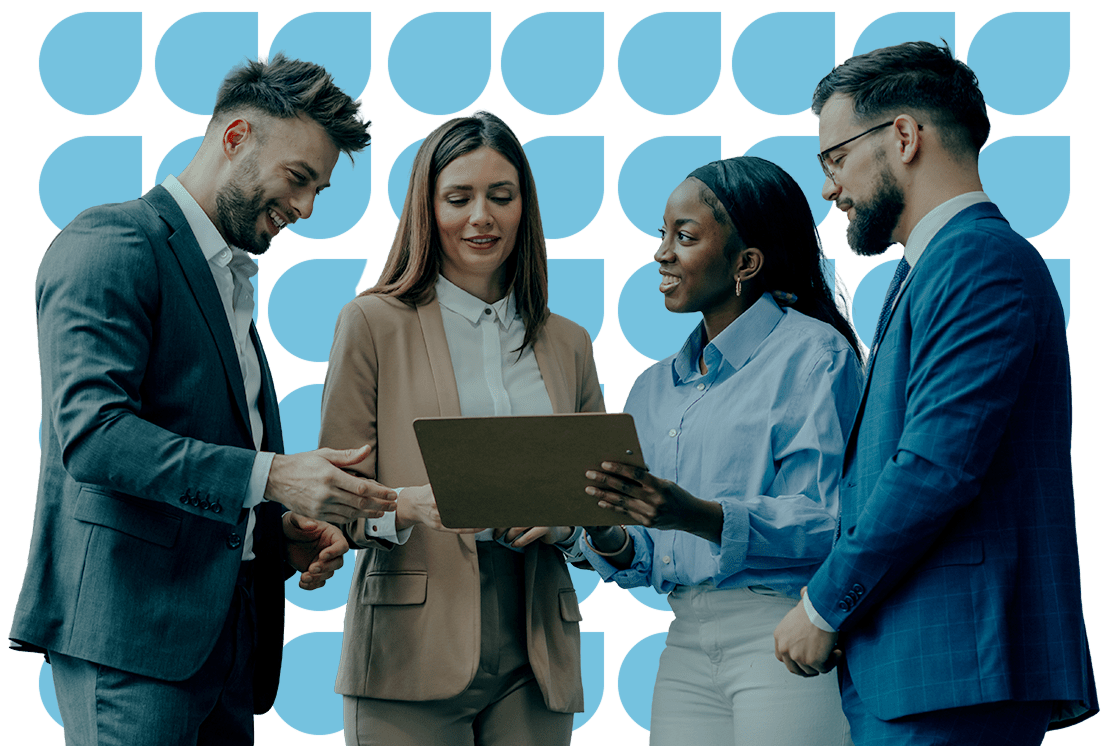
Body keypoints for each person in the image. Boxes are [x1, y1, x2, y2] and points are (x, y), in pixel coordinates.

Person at [13, 53, 391, 745]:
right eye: (298, 179)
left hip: (224, 644)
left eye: (319, 191)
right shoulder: (109, 244)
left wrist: (273, 536)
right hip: (132, 644)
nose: (306, 209)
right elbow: (93, 437)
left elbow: (195, 447)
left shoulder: (228, 276)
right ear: (236, 138)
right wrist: (275, 476)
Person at [773, 41, 1098, 744]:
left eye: (834, 160)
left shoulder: (979, 261)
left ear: (903, 135)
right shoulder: (934, 269)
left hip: (953, 667)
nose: (829, 188)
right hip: (925, 670)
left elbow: (936, 464)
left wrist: (825, 606)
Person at [317, 109, 604, 746]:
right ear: (427, 207)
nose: (482, 217)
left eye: (501, 197)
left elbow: (603, 503)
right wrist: (406, 505)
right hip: (410, 645)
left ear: (525, 208)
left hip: (537, 648)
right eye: (459, 198)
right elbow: (336, 502)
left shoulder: (569, 343)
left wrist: (566, 521)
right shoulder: (372, 324)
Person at [579, 156, 863, 745]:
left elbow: (830, 525)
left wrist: (696, 513)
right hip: (684, 637)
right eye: (662, 234)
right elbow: (651, 554)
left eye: (683, 237)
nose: (661, 253)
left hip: (782, 630)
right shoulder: (652, 387)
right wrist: (606, 530)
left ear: (745, 263)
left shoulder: (815, 356)